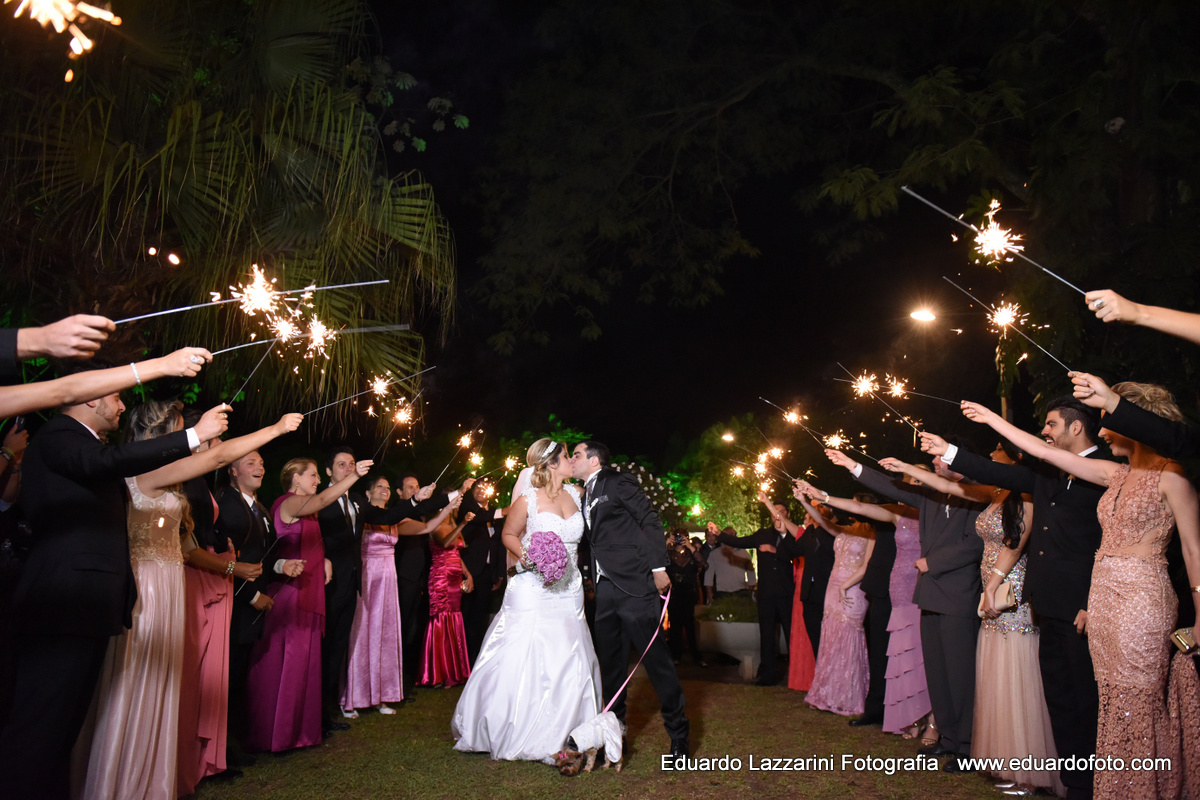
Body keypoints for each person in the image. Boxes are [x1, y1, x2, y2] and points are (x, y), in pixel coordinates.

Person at [959, 388, 1200, 800]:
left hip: (1143, 600)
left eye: (1111, 420)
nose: (1103, 430)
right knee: (1108, 703)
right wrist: (991, 419)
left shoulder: (1173, 475)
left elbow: (1195, 550)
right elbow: (1047, 453)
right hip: (1103, 599)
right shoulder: (1116, 474)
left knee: (1137, 702)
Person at [0, 366, 223, 800]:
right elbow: (110, 463)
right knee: (37, 729)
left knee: (63, 728)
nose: (122, 406)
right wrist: (193, 436)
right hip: (61, 600)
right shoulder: (60, 436)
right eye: (116, 397)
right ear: (89, 398)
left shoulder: (85, 445)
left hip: (88, 604)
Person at [75, 403, 302, 800]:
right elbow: (217, 455)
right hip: (145, 587)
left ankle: (155, 776)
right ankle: (124, 779)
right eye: (179, 432)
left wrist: (227, 566)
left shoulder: (168, 479)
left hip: (172, 584)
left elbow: (183, 544)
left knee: (167, 682)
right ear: (160, 435)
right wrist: (276, 427)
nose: (185, 442)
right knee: (138, 678)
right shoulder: (145, 470)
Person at [921, 395, 1105, 798]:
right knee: (1058, 701)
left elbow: (1106, 544)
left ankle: (1096, 786)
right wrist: (950, 452)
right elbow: (994, 472)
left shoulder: (1107, 470)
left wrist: (1095, 602)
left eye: (1051, 424)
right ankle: (1075, 786)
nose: (1045, 432)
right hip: (1046, 605)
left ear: (1076, 427)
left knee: (1086, 704)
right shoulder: (1048, 475)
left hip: (1084, 607)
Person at [881, 447, 1062, 795]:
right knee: (995, 678)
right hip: (988, 590)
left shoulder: (1026, 494)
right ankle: (1000, 759)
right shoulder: (993, 493)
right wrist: (903, 464)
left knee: (1016, 676)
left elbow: (1012, 545)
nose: (989, 459)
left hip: (1009, 588)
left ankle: (1027, 767)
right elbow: (946, 486)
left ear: (1014, 461)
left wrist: (992, 585)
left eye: (995, 455)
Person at [826, 445, 985, 771]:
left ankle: (968, 747)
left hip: (958, 594)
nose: (933, 463)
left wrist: (932, 561)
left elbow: (975, 543)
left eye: (939, 457)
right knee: (939, 676)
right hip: (927, 594)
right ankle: (949, 741)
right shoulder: (929, 497)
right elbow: (890, 487)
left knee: (960, 677)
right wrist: (853, 466)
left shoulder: (976, 495)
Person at [453, 439, 602, 762]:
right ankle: (513, 724)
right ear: (551, 464)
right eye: (566, 457)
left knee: (569, 654)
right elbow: (509, 534)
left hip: (570, 586)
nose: (570, 462)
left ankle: (566, 728)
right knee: (525, 651)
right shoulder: (527, 500)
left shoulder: (577, 495)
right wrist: (530, 557)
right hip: (534, 586)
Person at [245, 455, 373, 753]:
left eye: (317, 476)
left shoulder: (310, 513)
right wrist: (353, 477)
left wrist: (325, 558)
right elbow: (320, 502)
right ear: (295, 478)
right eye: (313, 475)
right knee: (287, 662)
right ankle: (277, 734)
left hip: (312, 590)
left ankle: (302, 730)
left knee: (306, 664)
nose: (317, 481)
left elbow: (312, 538)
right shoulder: (287, 502)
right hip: (291, 595)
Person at [569, 440, 689, 756]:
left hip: (635, 585)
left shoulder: (617, 480)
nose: (571, 459)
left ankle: (678, 735)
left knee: (657, 662)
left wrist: (659, 566)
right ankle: (615, 734)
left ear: (594, 461)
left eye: (576, 455)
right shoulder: (585, 495)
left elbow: (649, 519)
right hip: (605, 590)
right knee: (611, 666)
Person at [795, 479, 931, 740]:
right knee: (874, 649)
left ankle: (892, 709)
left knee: (890, 651)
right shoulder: (861, 527)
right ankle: (866, 704)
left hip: (891, 590)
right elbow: (827, 523)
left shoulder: (890, 523)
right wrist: (810, 499)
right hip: (872, 589)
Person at [342, 476, 459, 715]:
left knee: (385, 634)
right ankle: (353, 697)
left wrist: (447, 507)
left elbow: (426, 527)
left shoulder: (394, 519)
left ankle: (381, 696)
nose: (384, 490)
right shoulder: (362, 517)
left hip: (388, 579)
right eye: (379, 487)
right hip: (367, 578)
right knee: (363, 634)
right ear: (368, 493)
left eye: (387, 487)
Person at [215, 451, 275, 768]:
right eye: (251, 462)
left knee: (239, 675)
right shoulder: (227, 505)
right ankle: (223, 749)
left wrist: (280, 564)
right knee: (229, 675)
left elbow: (261, 555)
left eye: (261, 463)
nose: (259, 467)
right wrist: (252, 597)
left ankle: (236, 742)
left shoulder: (260, 508)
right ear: (233, 471)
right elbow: (227, 559)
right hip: (234, 602)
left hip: (251, 603)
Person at [792, 487, 873, 716]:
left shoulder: (872, 533)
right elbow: (822, 521)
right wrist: (804, 501)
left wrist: (846, 584)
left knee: (848, 638)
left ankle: (848, 697)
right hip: (833, 587)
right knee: (830, 639)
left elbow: (867, 565)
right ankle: (828, 694)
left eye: (855, 503)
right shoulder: (846, 529)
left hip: (853, 589)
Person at [717, 493, 805, 685]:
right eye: (774, 512)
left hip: (787, 594)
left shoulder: (793, 535)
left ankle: (797, 676)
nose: (777, 516)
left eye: (781, 512)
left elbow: (795, 553)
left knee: (792, 635)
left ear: (787, 514)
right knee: (766, 635)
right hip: (766, 594)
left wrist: (775, 551)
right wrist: (718, 534)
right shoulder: (762, 535)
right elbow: (739, 542)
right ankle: (768, 676)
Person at [316, 446, 365, 730]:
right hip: (328, 581)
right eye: (342, 464)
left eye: (352, 464)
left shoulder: (355, 500)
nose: (348, 469)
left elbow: (385, 516)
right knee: (325, 646)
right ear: (328, 471)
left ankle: (330, 709)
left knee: (338, 646)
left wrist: (417, 502)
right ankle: (319, 711)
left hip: (352, 582)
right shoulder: (321, 500)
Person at [421, 504, 473, 687]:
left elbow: (456, 552)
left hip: (455, 577)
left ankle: (454, 671)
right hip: (440, 577)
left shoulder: (453, 524)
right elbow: (444, 544)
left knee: (454, 619)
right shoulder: (433, 524)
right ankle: (437, 673)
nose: (455, 506)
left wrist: (468, 574)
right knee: (441, 620)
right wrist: (462, 525)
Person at [665, 525, 707, 666]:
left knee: (690, 626)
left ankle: (697, 657)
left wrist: (690, 546)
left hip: (689, 593)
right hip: (674, 593)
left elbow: (703, 564)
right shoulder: (669, 554)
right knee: (675, 626)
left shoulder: (691, 554)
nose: (679, 540)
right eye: (677, 537)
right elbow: (656, 561)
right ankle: (675, 655)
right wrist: (666, 544)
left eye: (681, 537)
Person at [702, 521, 756, 601]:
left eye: (734, 534)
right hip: (722, 593)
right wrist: (709, 594)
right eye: (729, 535)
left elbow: (751, 573)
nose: (732, 537)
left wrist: (750, 591)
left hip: (740, 592)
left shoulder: (743, 553)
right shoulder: (715, 554)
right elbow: (708, 575)